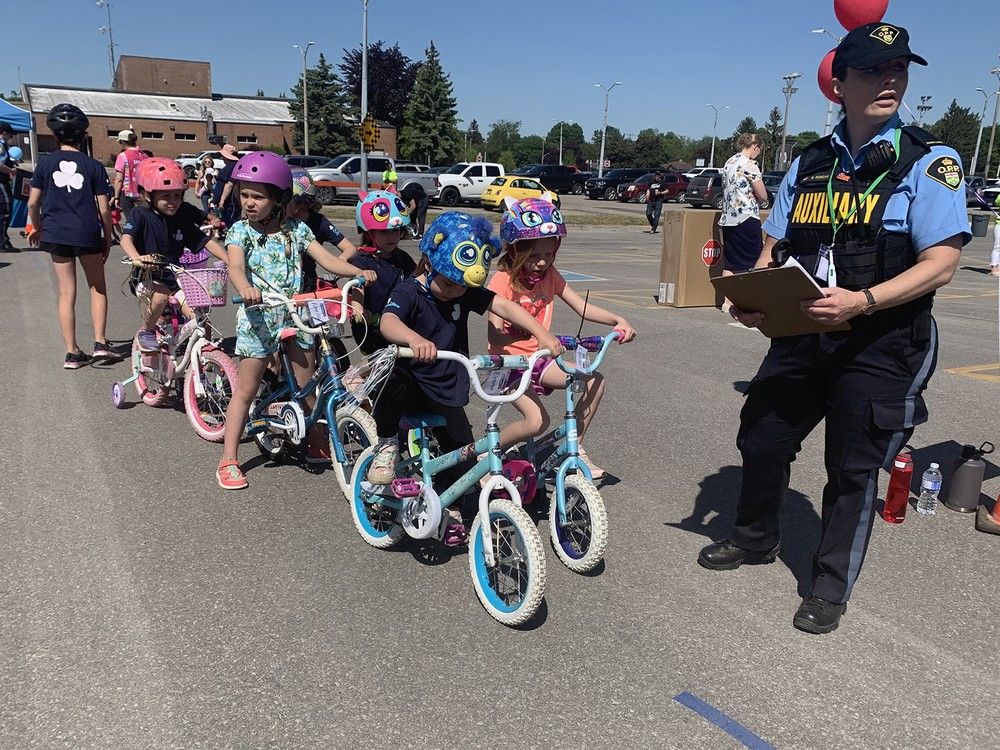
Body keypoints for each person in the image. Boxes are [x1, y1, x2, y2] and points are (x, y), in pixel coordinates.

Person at [697, 23, 970, 635]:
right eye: (875, 69)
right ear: (839, 84)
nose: (891, 80)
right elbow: (772, 246)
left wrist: (863, 300)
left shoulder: (931, 162)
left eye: (900, 69)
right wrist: (754, 295)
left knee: (851, 467)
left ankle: (827, 585)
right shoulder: (808, 162)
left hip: (882, 340)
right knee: (763, 435)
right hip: (804, 330)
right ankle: (755, 536)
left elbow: (943, 263)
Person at [367, 211, 564, 544]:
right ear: (429, 264)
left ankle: (465, 515)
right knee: (396, 377)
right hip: (412, 383)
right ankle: (387, 444)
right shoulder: (409, 291)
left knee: (462, 455)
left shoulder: (461, 290)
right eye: (449, 283)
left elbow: (504, 306)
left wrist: (540, 334)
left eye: (463, 286)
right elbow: (388, 322)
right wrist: (413, 339)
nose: (455, 292)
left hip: (446, 387)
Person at [216, 151, 376, 490]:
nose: (249, 202)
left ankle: (316, 437)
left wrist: (358, 271)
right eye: (244, 194)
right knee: (245, 390)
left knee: (307, 385)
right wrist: (245, 288)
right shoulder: (240, 232)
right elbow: (235, 267)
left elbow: (329, 261)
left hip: (297, 311)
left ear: (278, 199)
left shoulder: (297, 230)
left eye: (257, 196)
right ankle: (228, 458)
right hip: (259, 317)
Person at [488, 196, 635, 479]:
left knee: (594, 379)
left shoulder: (550, 275)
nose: (543, 262)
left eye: (549, 254)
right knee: (536, 421)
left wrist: (618, 320)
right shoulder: (502, 281)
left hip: (541, 359)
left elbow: (581, 307)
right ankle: (491, 449)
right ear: (514, 250)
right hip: (510, 363)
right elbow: (494, 333)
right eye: (533, 256)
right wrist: (521, 332)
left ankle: (575, 446)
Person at [26, 104, 116, 368]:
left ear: (55, 135)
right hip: (87, 232)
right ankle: (100, 343)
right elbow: (104, 208)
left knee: (67, 293)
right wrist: (108, 237)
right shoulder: (93, 166)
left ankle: (72, 352)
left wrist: (37, 228)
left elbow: (33, 203)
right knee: (97, 287)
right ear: (82, 135)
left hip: (56, 232)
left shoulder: (45, 163)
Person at [119, 157, 227, 350]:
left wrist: (230, 260)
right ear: (147, 194)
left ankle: (203, 359)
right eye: (166, 197)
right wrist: (138, 258)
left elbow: (206, 242)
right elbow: (126, 238)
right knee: (160, 296)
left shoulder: (180, 218)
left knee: (200, 316)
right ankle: (147, 330)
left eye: (178, 196)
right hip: (146, 278)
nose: (173, 202)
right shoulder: (140, 214)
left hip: (174, 277)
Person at [347, 189, 416, 353]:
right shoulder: (362, 261)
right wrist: (359, 309)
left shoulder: (402, 258)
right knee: (376, 365)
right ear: (370, 234)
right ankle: (352, 377)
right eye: (384, 232)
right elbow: (357, 287)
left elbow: (416, 280)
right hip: (371, 326)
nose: (392, 236)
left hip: (398, 321)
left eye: (396, 231)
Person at [286, 170, 357, 292]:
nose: (296, 210)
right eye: (292, 203)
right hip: (286, 282)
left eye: (303, 204)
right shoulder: (281, 221)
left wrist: (341, 260)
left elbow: (349, 248)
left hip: (308, 282)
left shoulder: (318, 222)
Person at [719, 134, 768, 275]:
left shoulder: (730, 162)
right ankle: (747, 296)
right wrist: (762, 199)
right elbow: (763, 195)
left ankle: (727, 298)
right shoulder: (750, 165)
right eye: (759, 150)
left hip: (728, 219)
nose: (758, 154)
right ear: (755, 146)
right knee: (753, 263)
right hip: (746, 218)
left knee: (730, 265)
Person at [111, 129, 147, 221]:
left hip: (127, 193)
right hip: (143, 193)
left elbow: (119, 179)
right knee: (144, 218)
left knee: (131, 220)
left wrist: (116, 197)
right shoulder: (144, 156)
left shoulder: (123, 156)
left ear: (123, 142)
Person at [213, 144, 242, 229]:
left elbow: (229, 184)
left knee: (231, 222)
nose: (222, 158)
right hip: (230, 202)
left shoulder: (232, 166)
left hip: (230, 202)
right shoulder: (233, 166)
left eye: (223, 156)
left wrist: (222, 200)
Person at [0, 121, 18, 251]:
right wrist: (10, 171)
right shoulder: (0, 145)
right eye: (10, 135)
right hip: (1, 182)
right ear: (4, 133)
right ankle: (3, 241)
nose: (10, 138)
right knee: (5, 209)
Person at [991, 192, 1000, 277]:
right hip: (999, 224)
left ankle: (998, 266)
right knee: (997, 246)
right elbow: (997, 202)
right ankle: (994, 267)